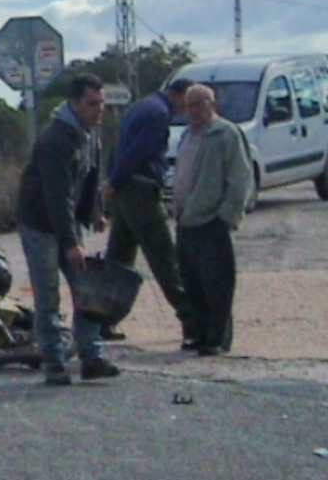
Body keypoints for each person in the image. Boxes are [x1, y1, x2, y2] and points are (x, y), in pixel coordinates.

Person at [14, 73, 118, 385]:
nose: (99, 110)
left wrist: (95, 210)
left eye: (102, 103)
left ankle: (92, 357)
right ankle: (53, 361)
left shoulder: (90, 133)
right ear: (74, 103)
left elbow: (90, 175)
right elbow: (56, 196)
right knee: (48, 294)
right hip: (40, 223)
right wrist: (71, 242)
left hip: (68, 220)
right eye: (92, 104)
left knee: (87, 290)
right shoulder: (55, 140)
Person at [100, 79, 197, 347]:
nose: (187, 109)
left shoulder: (141, 106)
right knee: (163, 256)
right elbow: (137, 153)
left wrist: (112, 181)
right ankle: (192, 318)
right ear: (177, 94)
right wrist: (116, 181)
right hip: (140, 191)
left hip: (125, 191)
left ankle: (101, 319)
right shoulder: (158, 114)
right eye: (187, 102)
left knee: (118, 259)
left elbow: (117, 148)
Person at [171, 83, 252, 357]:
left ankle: (217, 339)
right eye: (190, 105)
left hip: (212, 221)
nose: (194, 110)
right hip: (186, 220)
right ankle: (201, 334)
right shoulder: (187, 135)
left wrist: (227, 216)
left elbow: (240, 179)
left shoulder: (226, 134)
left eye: (200, 103)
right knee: (192, 284)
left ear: (213, 105)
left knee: (217, 285)